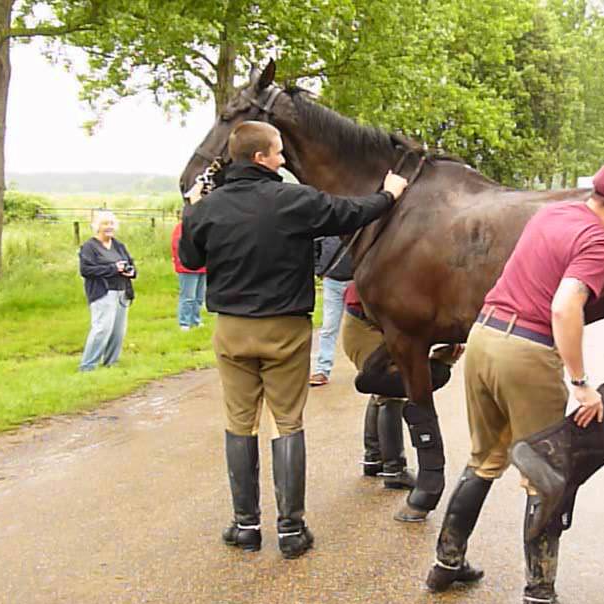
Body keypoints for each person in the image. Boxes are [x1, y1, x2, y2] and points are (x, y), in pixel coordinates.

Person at [422, 154, 604, 604]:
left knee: (484, 458)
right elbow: (565, 307)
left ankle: (447, 563)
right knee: (547, 473)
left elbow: (573, 240)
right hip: (528, 353)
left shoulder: (554, 214)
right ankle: (539, 598)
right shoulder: (598, 248)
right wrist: (580, 384)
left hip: (484, 337)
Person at [178, 119, 409, 559]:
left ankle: (246, 527)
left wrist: (192, 209)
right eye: (279, 152)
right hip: (284, 328)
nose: (284, 159)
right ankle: (290, 529)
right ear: (261, 158)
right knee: (287, 422)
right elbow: (352, 213)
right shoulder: (295, 200)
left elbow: (191, 258)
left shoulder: (207, 208)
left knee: (239, 423)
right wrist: (390, 193)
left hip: (231, 328)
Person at [340, 281, 460, 493]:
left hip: (363, 319)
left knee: (383, 388)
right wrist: (442, 363)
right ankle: (394, 469)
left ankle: (374, 457)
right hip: (364, 323)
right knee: (391, 389)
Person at [78, 211, 137, 371]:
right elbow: (86, 270)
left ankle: (111, 362)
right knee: (102, 328)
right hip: (103, 292)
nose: (109, 227)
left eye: (111, 224)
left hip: (122, 292)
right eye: (105, 224)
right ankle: (88, 365)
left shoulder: (118, 245)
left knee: (118, 331)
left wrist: (131, 272)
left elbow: (130, 263)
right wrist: (113, 268)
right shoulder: (89, 247)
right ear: (97, 227)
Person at [309, 235, 351, 386]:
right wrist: (319, 271)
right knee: (328, 327)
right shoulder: (328, 227)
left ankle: (368, 370)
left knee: (365, 329)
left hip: (357, 282)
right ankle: (322, 370)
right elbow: (314, 247)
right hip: (332, 282)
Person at [171, 219, 206, 330]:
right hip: (187, 268)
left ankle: (196, 320)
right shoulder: (181, 228)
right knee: (188, 297)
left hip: (203, 268)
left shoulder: (202, 226)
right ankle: (184, 323)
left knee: (199, 297)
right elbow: (178, 247)